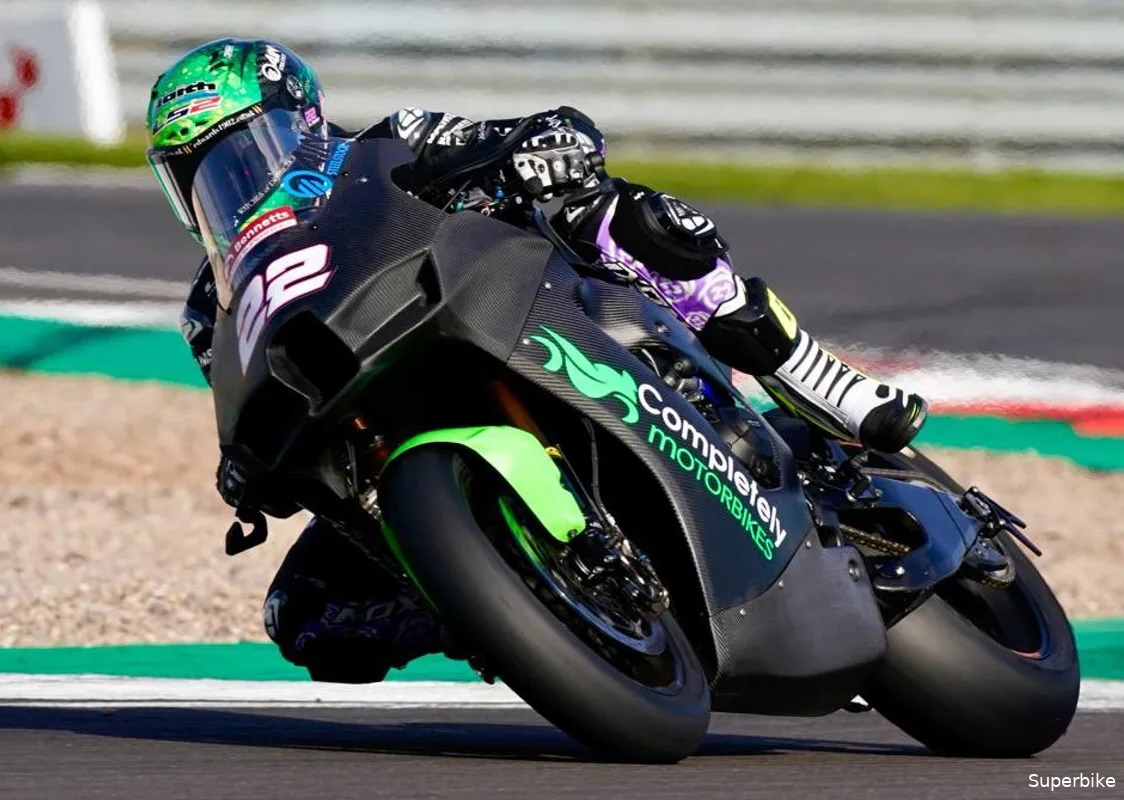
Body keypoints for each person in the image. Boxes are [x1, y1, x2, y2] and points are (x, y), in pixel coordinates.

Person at [147, 39, 929, 683]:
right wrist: (248, 469)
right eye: (201, 174)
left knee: (627, 218)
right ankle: (518, 605)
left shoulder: (389, 143)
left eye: (247, 150)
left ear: (303, 121)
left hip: (539, 310)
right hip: (400, 432)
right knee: (306, 616)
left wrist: (543, 151)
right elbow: (256, 417)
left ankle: (815, 379)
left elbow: (538, 132)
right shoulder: (210, 308)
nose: (232, 182)